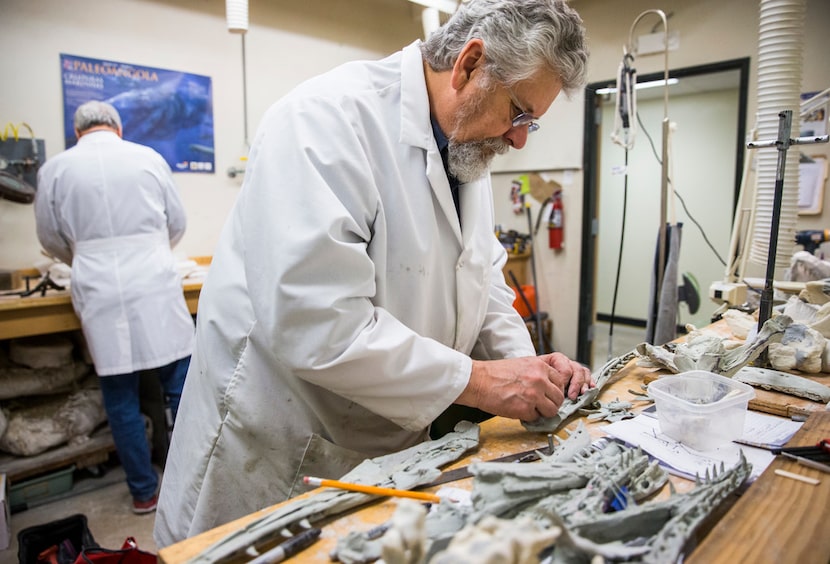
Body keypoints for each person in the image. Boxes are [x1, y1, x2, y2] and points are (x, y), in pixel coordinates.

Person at [155, 0, 591, 544]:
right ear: (471, 65)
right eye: (519, 112)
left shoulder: (465, 152)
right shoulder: (325, 121)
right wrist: (481, 382)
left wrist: (529, 375)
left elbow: (484, 283)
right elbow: (318, 325)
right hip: (281, 445)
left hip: (382, 446)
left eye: (532, 123)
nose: (520, 138)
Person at [35, 101, 194, 514]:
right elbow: (176, 223)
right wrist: (150, 250)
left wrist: (86, 258)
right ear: (118, 128)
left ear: (77, 131)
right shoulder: (148, 158)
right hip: (154, 277)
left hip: (97, 283)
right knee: (179, 383)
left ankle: (144, 492)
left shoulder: (55, 169)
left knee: (120, 395)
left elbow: (50, 238)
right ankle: (193, 479)